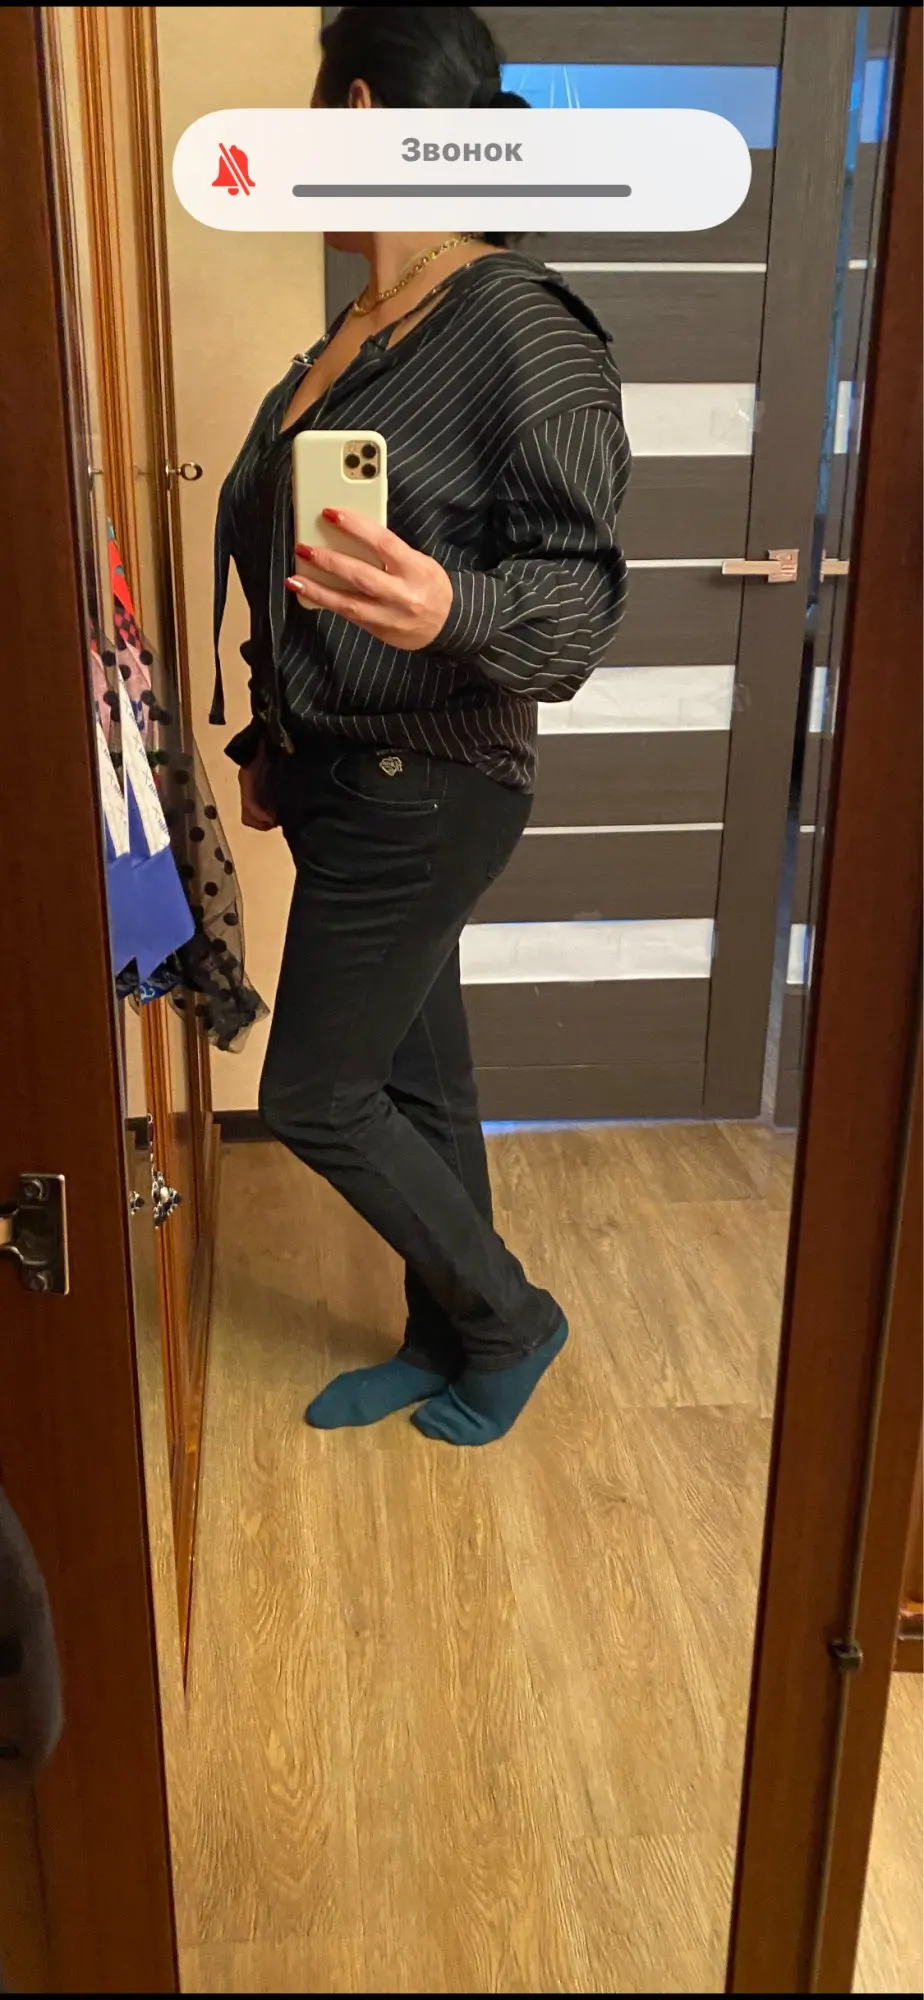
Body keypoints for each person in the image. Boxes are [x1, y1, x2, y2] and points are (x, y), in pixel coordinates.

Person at [212, 6, 631, 1447]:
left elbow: (577, 607)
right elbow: (290, 562)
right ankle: (442, 1334)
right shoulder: (359, 329)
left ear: (360, 112)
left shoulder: (518, 322)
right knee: (416, 1073)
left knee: (317, 1095)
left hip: (431, 778)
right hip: (342, 771)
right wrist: (273, 738)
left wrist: (454, 603)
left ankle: (510, 1319)